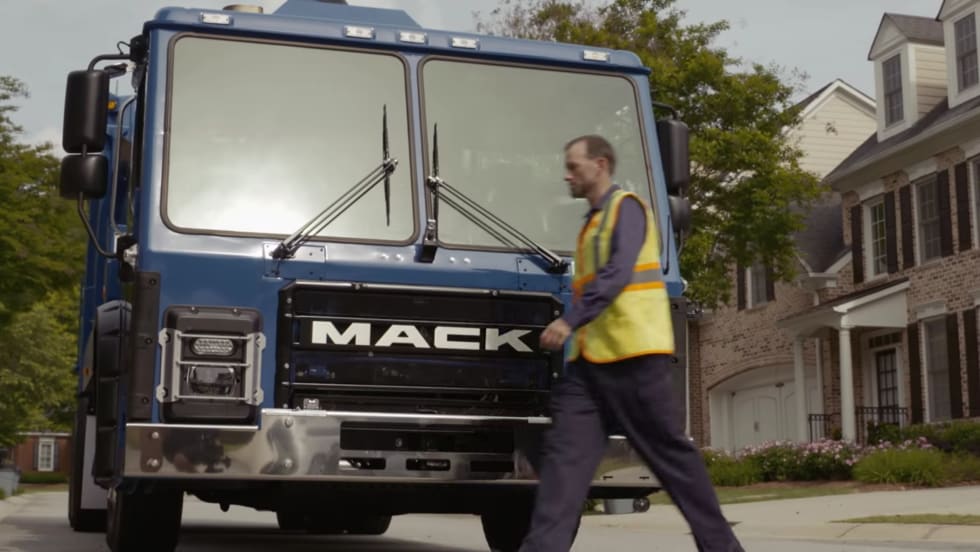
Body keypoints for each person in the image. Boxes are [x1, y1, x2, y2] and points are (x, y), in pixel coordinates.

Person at [518, 135, 744, 552]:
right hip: (586, 371)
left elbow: (617, 274)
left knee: (673, 462)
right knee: (563, 471)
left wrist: (569, 320)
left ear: (600, 164)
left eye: (574, 166)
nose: (567, 175)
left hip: (635, 361)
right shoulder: (592, 222)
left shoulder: (628, 210)